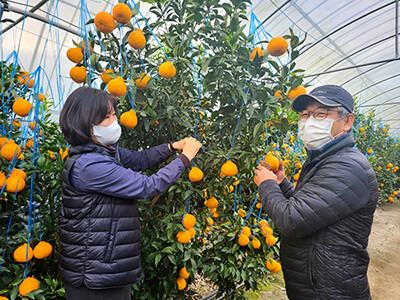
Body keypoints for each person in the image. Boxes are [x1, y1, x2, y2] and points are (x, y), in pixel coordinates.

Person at [58, 86, 202, 300]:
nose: (115, 121)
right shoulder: (90, 165)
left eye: (114, 114)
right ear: (87, 124)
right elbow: (147, 186)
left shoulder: (102, 152)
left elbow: (139, 160)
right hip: (94, 276)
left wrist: (172, 147)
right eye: (108, 117)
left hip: (105, 268)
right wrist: (184, 159)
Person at [254, 85, 378, 300]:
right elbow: (312, 208)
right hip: (318, 283)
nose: (308, 121)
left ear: (347, 121)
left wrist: (267, 184)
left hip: (330, 290)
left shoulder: (346, 167)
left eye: (321, 113)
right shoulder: (326, 160)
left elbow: (291, 220)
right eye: (305, 115)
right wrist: (282, 184)